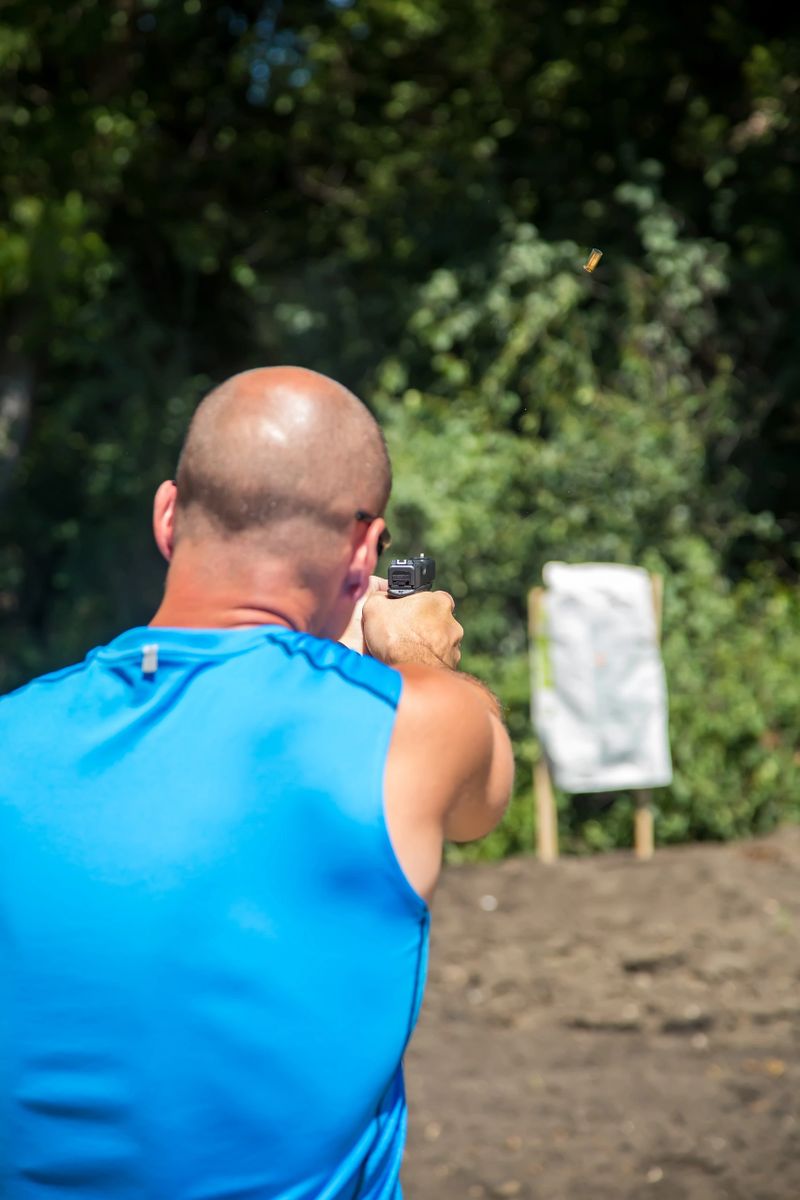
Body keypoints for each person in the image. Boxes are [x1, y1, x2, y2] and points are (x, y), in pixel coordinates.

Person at [0, 366, 514, 1198]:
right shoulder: (405, 730)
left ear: (168, 516)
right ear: (362, 552)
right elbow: (484, 788)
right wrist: (409, 658)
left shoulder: (11, 733)